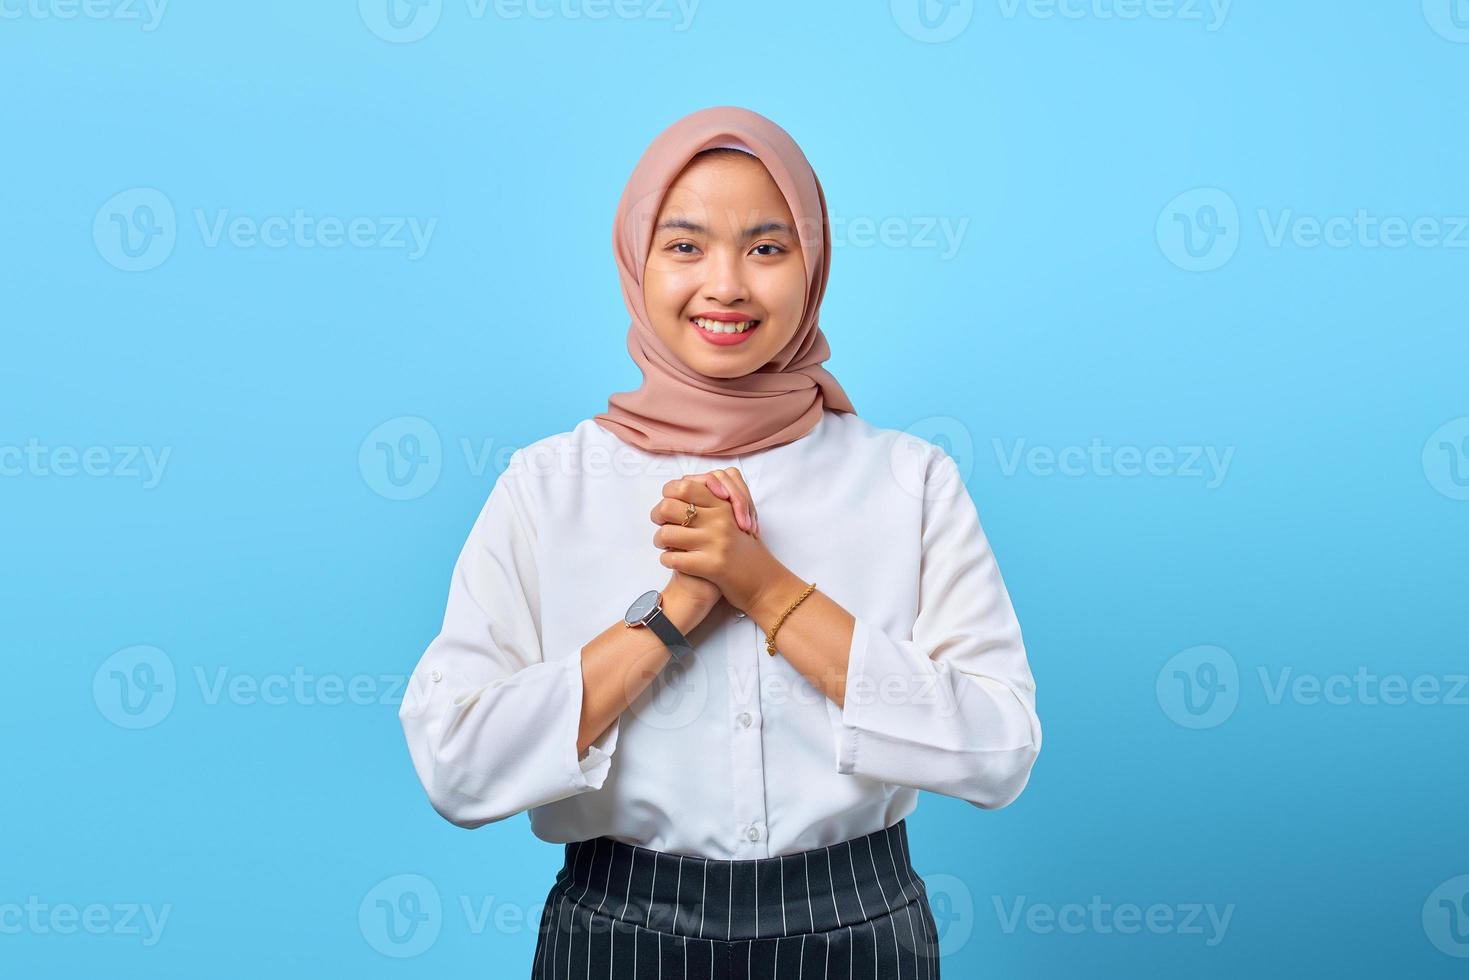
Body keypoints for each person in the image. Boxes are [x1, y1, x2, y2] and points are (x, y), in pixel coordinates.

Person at [397, 105, 1042, 979]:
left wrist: (766, 589)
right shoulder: (547, 485)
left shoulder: (908, 481)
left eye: (767, 248)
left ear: (811, 267)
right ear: (635, 259)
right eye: (686, 245)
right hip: (618, 932)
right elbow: (457, 763)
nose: (727, 285)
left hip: (857, 931)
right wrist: (668, 619)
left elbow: (998, 748)